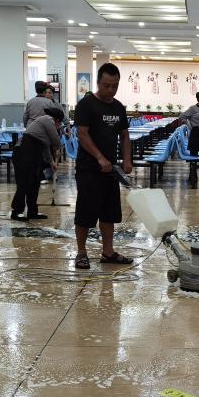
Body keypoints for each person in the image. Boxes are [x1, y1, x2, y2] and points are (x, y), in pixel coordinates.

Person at [73, 62, 133, 270]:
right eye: (107, 85)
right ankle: (81, 253)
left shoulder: (118, 107)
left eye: (115, 86)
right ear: (98, 83)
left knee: (109, 212)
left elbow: (124, 135)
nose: (111, 90)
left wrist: (127, 159)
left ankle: (108, 252)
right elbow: (82, 134)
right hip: (89, 168)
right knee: (85, 212)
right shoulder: (86, 104)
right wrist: (99, 157)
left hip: (111, 170)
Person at [11, 106, 62, 222]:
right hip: (23, 151)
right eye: (60, 124)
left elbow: (45, 148)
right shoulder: (47, 119)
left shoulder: (43, 130)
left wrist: (52, 162)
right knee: (24, 182)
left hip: (34, 154)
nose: (59, 127)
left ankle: (32, 212)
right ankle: (16, 212)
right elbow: (56, 139)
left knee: (34, 183)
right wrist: (58, 147)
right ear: (57, 120)